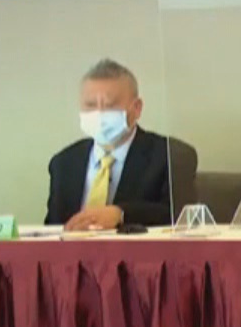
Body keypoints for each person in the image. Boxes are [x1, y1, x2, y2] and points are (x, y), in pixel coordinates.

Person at [46, 58, 198, 231]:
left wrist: (121, 214)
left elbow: (181, 216)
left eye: (110, 106)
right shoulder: (63, 163)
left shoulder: (170, 156)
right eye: (91, 105)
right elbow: (52, 228)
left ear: (137, 108)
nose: (100, 114)